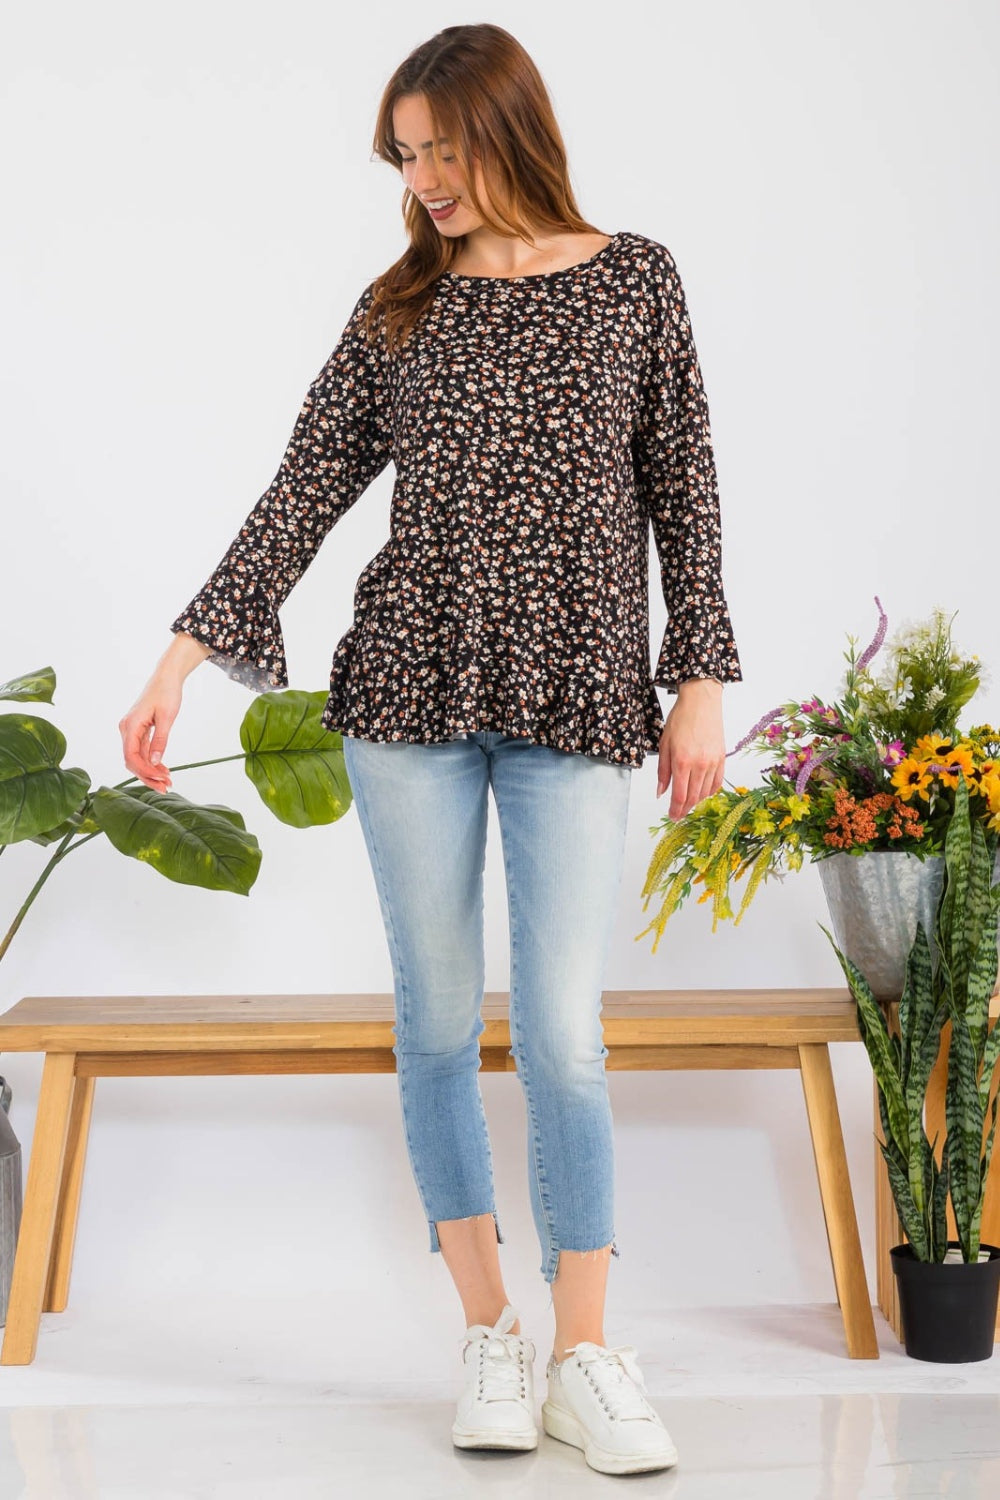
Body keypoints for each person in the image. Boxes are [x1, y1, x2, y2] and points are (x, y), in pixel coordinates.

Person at [119, 22, 742, 1478]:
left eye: (438, 148)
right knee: (435, 1024)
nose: (421, 179)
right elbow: (305, 486)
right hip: (407, 692)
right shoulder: (398, 303)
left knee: (570, 1040)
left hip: (581, 694)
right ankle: (490, 1332)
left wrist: (701, 671)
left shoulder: (635, 279)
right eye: (402, 157)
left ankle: (587, 1352)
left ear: (502, 126)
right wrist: (181, 656)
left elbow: (686, 489)